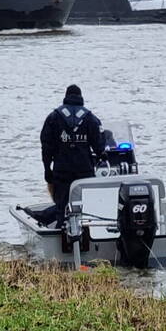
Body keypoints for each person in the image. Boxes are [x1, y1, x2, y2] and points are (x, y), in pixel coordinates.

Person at [35, 84, 105, 227]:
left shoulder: (53, 117)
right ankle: (88, 234)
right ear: (81, 98)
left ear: (66, 98)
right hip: (84, 171)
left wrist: (47, 170)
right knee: (87, 206)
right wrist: (101, 156)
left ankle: (62, 236)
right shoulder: (90, 118)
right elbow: (100, 146)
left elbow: (46, 147)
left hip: (62, 171)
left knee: (61, 207)